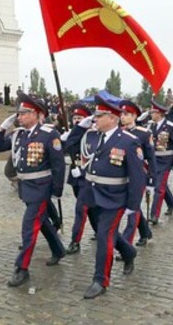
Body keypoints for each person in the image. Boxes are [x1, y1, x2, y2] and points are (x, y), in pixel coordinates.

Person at [65, 95, 144, 299]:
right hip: (91, 195)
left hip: (114, 198)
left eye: (99, 116)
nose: (94, 119)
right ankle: (129, 252)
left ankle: (101, 280)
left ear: (112, 118)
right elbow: (75, 149)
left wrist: (132, 206)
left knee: (103, 237)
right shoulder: (94, 136)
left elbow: (137, 177)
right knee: (106, 233)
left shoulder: (128, 142)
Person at [0, 94, 66, 287]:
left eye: (23, 113)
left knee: (29, 227)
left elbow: (58, 165)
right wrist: (2, 128)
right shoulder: (20, 134)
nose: (19, 117)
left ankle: (22, 268)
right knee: (41, 222)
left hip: (41, 188)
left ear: (35, 114)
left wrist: (57, 190)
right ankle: (58, 249)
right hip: (26, 188)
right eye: (18, 114)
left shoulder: (49, 134)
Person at [118, 100, 155, 247]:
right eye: (121, 113)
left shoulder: (144, 134)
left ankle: (127, 243)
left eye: (126, 114)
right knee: (134, 207)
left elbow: (151, 158)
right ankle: (145, 232)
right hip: (122, 176)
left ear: (134, 116)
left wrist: (151, 180)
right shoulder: (119, 133)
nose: (123, 117)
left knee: (132, 210)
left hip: (139, 176)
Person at [63, 104, 99, 254]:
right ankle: (99, 231)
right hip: (76, 175)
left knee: (81, 208)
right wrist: (76, 131)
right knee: (90, 209)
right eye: (75, 118)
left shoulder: (94, 134)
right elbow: (67, 147)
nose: (77, 121)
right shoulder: (74, 134)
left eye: (80, 118)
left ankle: (75, 241)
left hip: (89, 176)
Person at [148, 100, 173, 224]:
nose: (151, 114)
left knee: (158, 188)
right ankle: (171, 203)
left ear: (160, 113)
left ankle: (154, 215)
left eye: (153, 112)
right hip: (154, 160)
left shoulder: (171, 126)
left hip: (165, 161)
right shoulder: (151, 126)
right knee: (161, 184)